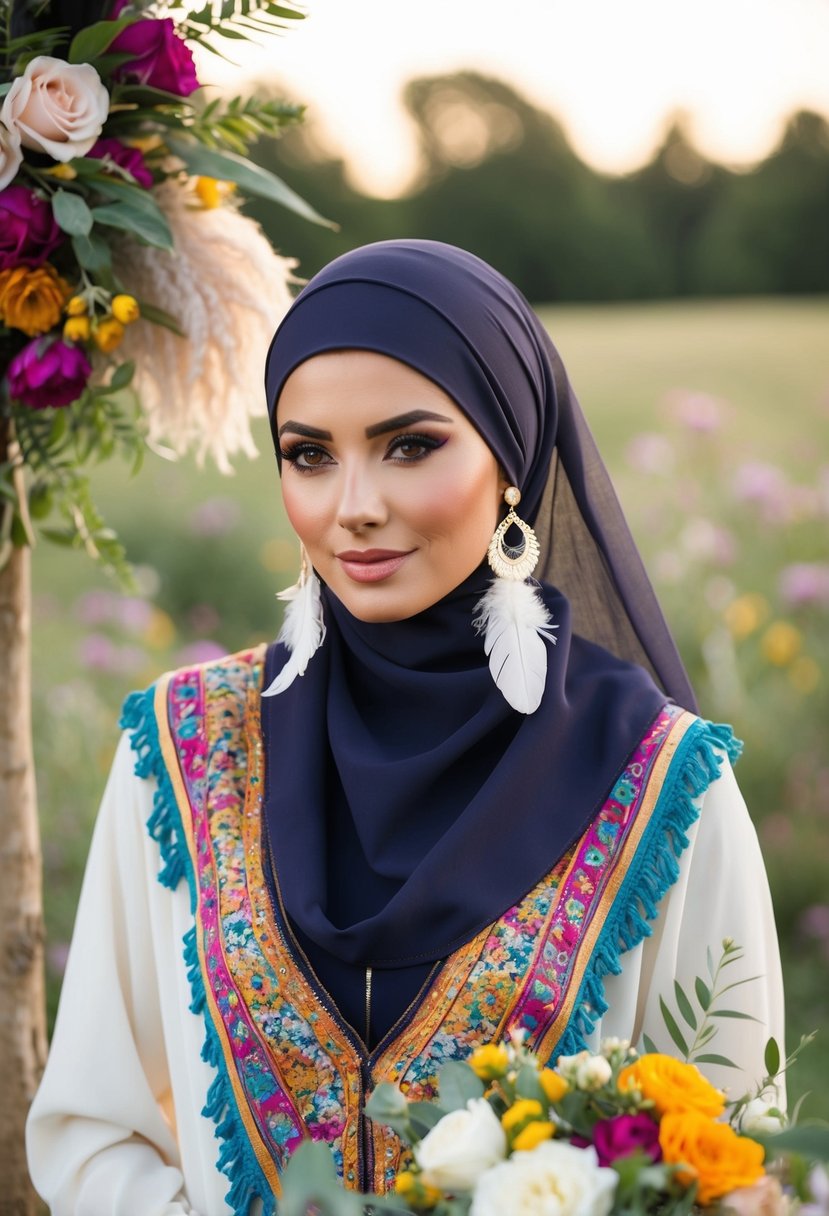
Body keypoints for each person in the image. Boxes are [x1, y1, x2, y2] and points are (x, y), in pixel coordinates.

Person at [27, 240, 785, 1216]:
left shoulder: (659, 779)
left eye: (409, 445)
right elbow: (94, 1129)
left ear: (508, 458)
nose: (354, 507)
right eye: (309, 456)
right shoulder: (178, 751)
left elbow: (733, 1163)